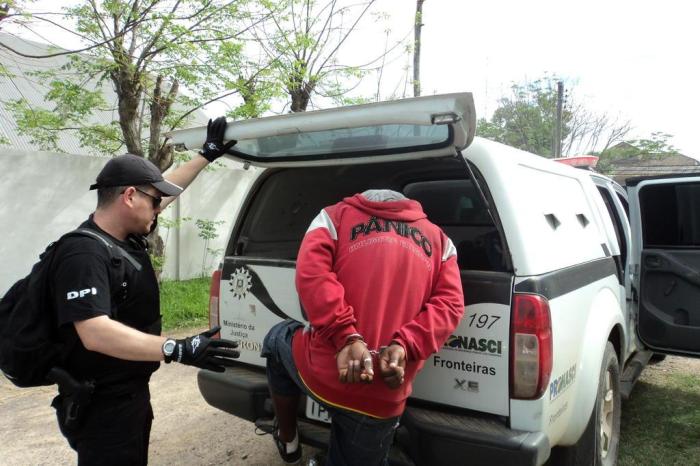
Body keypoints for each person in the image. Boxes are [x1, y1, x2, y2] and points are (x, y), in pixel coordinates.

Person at [49, 117, 239, 465]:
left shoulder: (121, 237)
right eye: (153, 201)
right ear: (130, 196)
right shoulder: (84, 252)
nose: (159, 207)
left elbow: (165, 190)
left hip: (127, 393)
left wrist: (206, 155)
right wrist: (176, 348)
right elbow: (94, 332)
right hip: (101, 404)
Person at [262, 189, 465, 466]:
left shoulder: (333, 218)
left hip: (324, 373)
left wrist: (346, 338)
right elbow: (450, 305)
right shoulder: (441, 242)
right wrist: (404, 345)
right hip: (382, 393)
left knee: (277, 338)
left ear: (363, 199)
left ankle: (288, 439)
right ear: (409, 206)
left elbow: (312, 276)